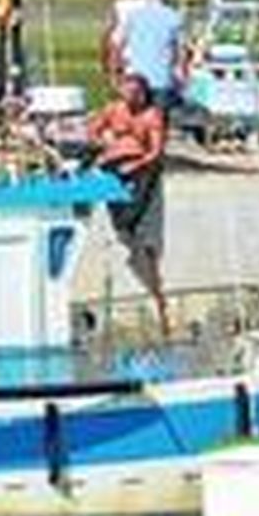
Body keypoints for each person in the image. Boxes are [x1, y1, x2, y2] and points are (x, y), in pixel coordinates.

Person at [89, 73, 171, 333]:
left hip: (140, 166)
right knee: (117, 209)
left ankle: (138, 239)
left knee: (137, 213)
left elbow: (155, 151)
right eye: (127, 92)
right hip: (114, 164)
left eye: (135, 93)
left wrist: (135, 164)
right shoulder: (114, 110)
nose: (131, 97)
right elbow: (93, 129)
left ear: (143, 94)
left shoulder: (152, 116)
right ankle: (124, 228)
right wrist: (102, 142)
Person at [115, 0, 185, 108]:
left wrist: (117, 75)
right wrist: (181, 77)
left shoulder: (133, 16)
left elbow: (118, 46)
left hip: (135, 81)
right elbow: (180, 52)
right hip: (162, 81)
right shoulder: (173, 17)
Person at [101, 0, 145, 83]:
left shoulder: (119, 5)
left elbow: (108, 29)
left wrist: (104, 57)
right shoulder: (147, 5)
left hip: (120, 50)